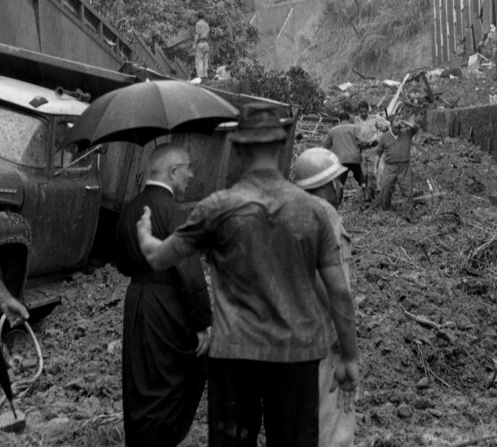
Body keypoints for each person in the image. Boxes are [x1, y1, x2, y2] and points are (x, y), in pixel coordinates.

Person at [136, 105, 359, 447]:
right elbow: (338, 292)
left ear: (239, 150)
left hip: (234, 358)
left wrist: (144, 234)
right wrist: (348, 355)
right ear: (280, 147)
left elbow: (158, 256)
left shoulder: (217, 208)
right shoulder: (314, 211)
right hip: (296, 355)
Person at [116, 145, 211, 447]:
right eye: (187, 168)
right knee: (169, 380)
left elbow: (120, 262)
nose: (191, 174)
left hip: (137, 299)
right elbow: (189, 271)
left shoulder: (130, 208)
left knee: (140, 380)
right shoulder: (173, 211)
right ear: (172, 172)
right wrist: (202, 322)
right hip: (168, 304)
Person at [293, 148, 356, 447]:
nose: (342, 185)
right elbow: (336, 289)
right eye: (338, 180)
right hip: (324, 337)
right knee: (332, 423)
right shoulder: (326, 216)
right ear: (329, 182)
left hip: (292, 337)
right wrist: (344, 346)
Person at [375, 114, 419, 213]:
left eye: (398, 127)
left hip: (404, 167)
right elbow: (378, 153)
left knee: (408, 191)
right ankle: (386, 211)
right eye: (394, 127)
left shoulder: (406, 132)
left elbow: (416, 127)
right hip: (390, 167)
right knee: (386, 188)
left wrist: (404, 122)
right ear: (390, 125)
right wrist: (375, 167)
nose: (396, 129)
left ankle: (408, 212)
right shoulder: (385, 137)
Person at [323, 114, 369, 203]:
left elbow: (325, 146)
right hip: (355, 158)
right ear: (348, 119)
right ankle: (366, 192)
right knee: (359, 175)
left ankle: (338, 200)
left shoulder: (333, 130)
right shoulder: (355, 128)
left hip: (340, 159)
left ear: (339, 119)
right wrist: (357, 147)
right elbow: (363, 141)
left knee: (339, 180)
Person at [193, 12, 210, 80]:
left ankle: (200, 77)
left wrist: (194, 44)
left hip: (200, 43)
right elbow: (207, 34)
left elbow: (197, 34)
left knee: (199, 60)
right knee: (205, 59)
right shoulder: (206, 24)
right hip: (206, 43)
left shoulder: (198, 24)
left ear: (198, 17)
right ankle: (205, 75)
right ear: (204, 17)